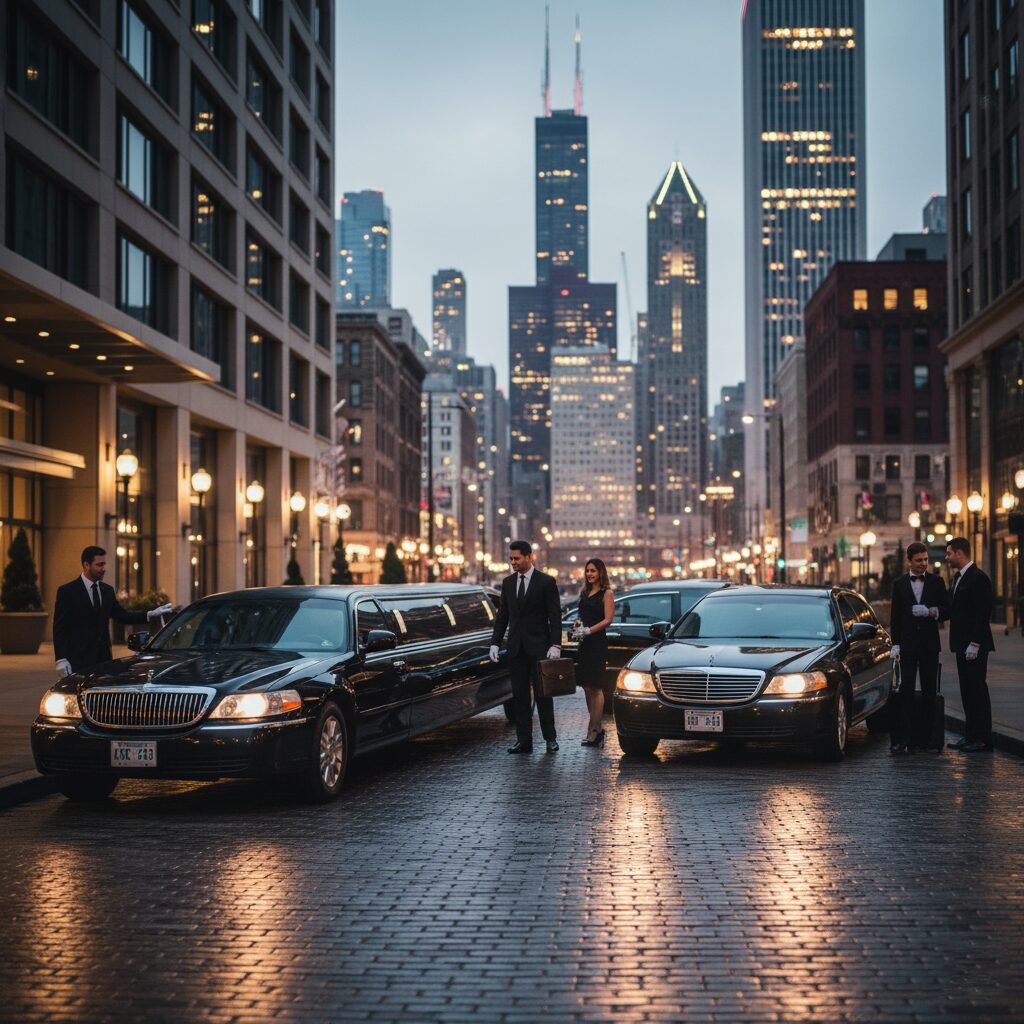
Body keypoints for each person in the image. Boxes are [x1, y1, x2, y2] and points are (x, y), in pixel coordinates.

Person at [53, 546, 173, 677]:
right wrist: (61, 659)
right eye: (99, 565)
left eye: (104, 564)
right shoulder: (68, 591)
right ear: (86, 565)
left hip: (104, 660)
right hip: (78, 660)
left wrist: (149, 615)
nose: (103, 569)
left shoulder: (107, 591)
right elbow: (60, 628)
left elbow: (122, 616)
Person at [489, 540, 562, 754]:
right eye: (511, 558)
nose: (513, 562)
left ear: (529, 557)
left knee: (543, 695)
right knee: (519, 696)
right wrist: (495, 642)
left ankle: (550, 738)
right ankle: (524, 741)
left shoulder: (546, 582)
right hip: (516, 649)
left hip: (540, 647)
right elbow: (503, 616)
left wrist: (555, 644)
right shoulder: (508, 583)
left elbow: (554, 616)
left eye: (517, 558)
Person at [888, 541, 949, 754]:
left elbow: (947, 609)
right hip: (907, 645)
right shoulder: (899, 584)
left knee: (929, 691)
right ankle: (904, 739)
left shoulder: (937, 582)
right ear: (910, 561)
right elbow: (894, 618)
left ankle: (927, 739)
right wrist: (895, 644)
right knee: (905, 691)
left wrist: (931, 612)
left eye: (926, 559)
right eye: (919, 560)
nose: (924, 564)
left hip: (930, 645)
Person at [944, 537, 995, 752]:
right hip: (961, 645)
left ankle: (983, 739)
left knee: (977, 691)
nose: (946, 558)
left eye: (949, 553)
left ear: (960, 553)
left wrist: (975, 643)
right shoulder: (958, 578)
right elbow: (951, 609)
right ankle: (971, 735)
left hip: (975, 646)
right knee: (966, 691)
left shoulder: (978, 578)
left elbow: (982, 614)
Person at [572, 558, 614, 747]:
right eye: (587, 570)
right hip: (584, 644)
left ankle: (594, 730)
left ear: (601, 573)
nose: (589, 574)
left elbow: (608, 620)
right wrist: (578, 625)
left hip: (597, 643)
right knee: (587, 687)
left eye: (593, 571)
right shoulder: (584, 592)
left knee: (596, 687)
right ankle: (596, 729)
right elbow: (582, 616)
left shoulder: (607, 594)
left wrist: (589, 630)